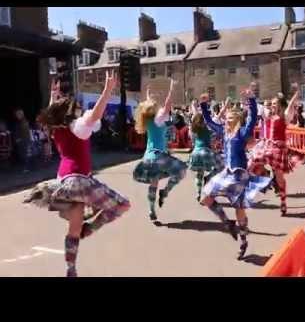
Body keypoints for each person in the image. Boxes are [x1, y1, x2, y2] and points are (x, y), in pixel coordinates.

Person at [23, 73, 131, 277]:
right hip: (79, 181)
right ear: (70, 113)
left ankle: (70, 269)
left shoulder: (56, 129)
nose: (80, 109)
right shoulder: (77, 127)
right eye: (77, 108)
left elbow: (53, 114)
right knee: (123, 205)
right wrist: (107, 90)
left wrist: (53, 98)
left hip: (63, 182)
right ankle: (90, 228)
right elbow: (95, 116)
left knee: (74, 229)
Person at [199, 85, 270, 259]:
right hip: (227, 173)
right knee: (205, 198)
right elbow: (209, 122)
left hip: (239, 175)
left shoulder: (243, 133)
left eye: (230, 118)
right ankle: (227, 222)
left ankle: (243, 241)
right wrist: (203, 106)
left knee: (239, 209)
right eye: (226, 118)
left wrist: (252, 99)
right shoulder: (224, 132)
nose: (227, 120)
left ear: (237, 119)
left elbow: (253, 117)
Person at [133, 80, 187, 221]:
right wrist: (171, 89)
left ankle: (151, 210)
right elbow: (167, 105)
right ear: (154, 109)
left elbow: (167, 121)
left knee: (153, 183)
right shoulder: (159, 118)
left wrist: (148, 95)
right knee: (181, 170)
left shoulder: (150, 120)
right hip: (158, 156)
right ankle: (166, 191)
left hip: (148, 157)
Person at [250, 86, 299, 216]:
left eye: (275, 103)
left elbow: (291, 105)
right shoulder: (268, 116)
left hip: (277, 148)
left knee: (280, 178)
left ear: (280, 105)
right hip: (267, 146)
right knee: (252, 163)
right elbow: (255, 109)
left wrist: (295, 94)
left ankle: (283, 202)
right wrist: (251, 97)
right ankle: (267, 177)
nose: (272, 106)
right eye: (272, 104)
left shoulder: (284, 116)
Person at [188, 112, 224, 202]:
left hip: (196, 153)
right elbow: (212, 142)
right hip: (206, 151)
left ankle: (198, 193)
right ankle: (208, 177)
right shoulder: (208, 130)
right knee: (220, 167)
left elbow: (192, 142)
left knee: (199, 174)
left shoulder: (193, 130)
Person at [13, 108, 32, 172]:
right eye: (17, 114)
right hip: (22, 140)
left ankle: (27, 167)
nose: (18, 115)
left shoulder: (25, 121)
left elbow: (27, 131)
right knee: (23, 154)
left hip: (26, 140)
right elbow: (17, 131)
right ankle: (25, 167)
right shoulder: (18, 122)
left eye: (20, 114)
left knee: (26, 154)